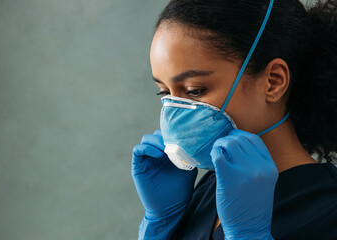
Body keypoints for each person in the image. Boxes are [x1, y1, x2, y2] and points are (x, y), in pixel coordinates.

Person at [131, 0, 337, 239]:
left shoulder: (328, 212)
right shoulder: (214, 187)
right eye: (165, 93)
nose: (172, 114)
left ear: (273, 81)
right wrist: (160, 223)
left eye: (194, 90)